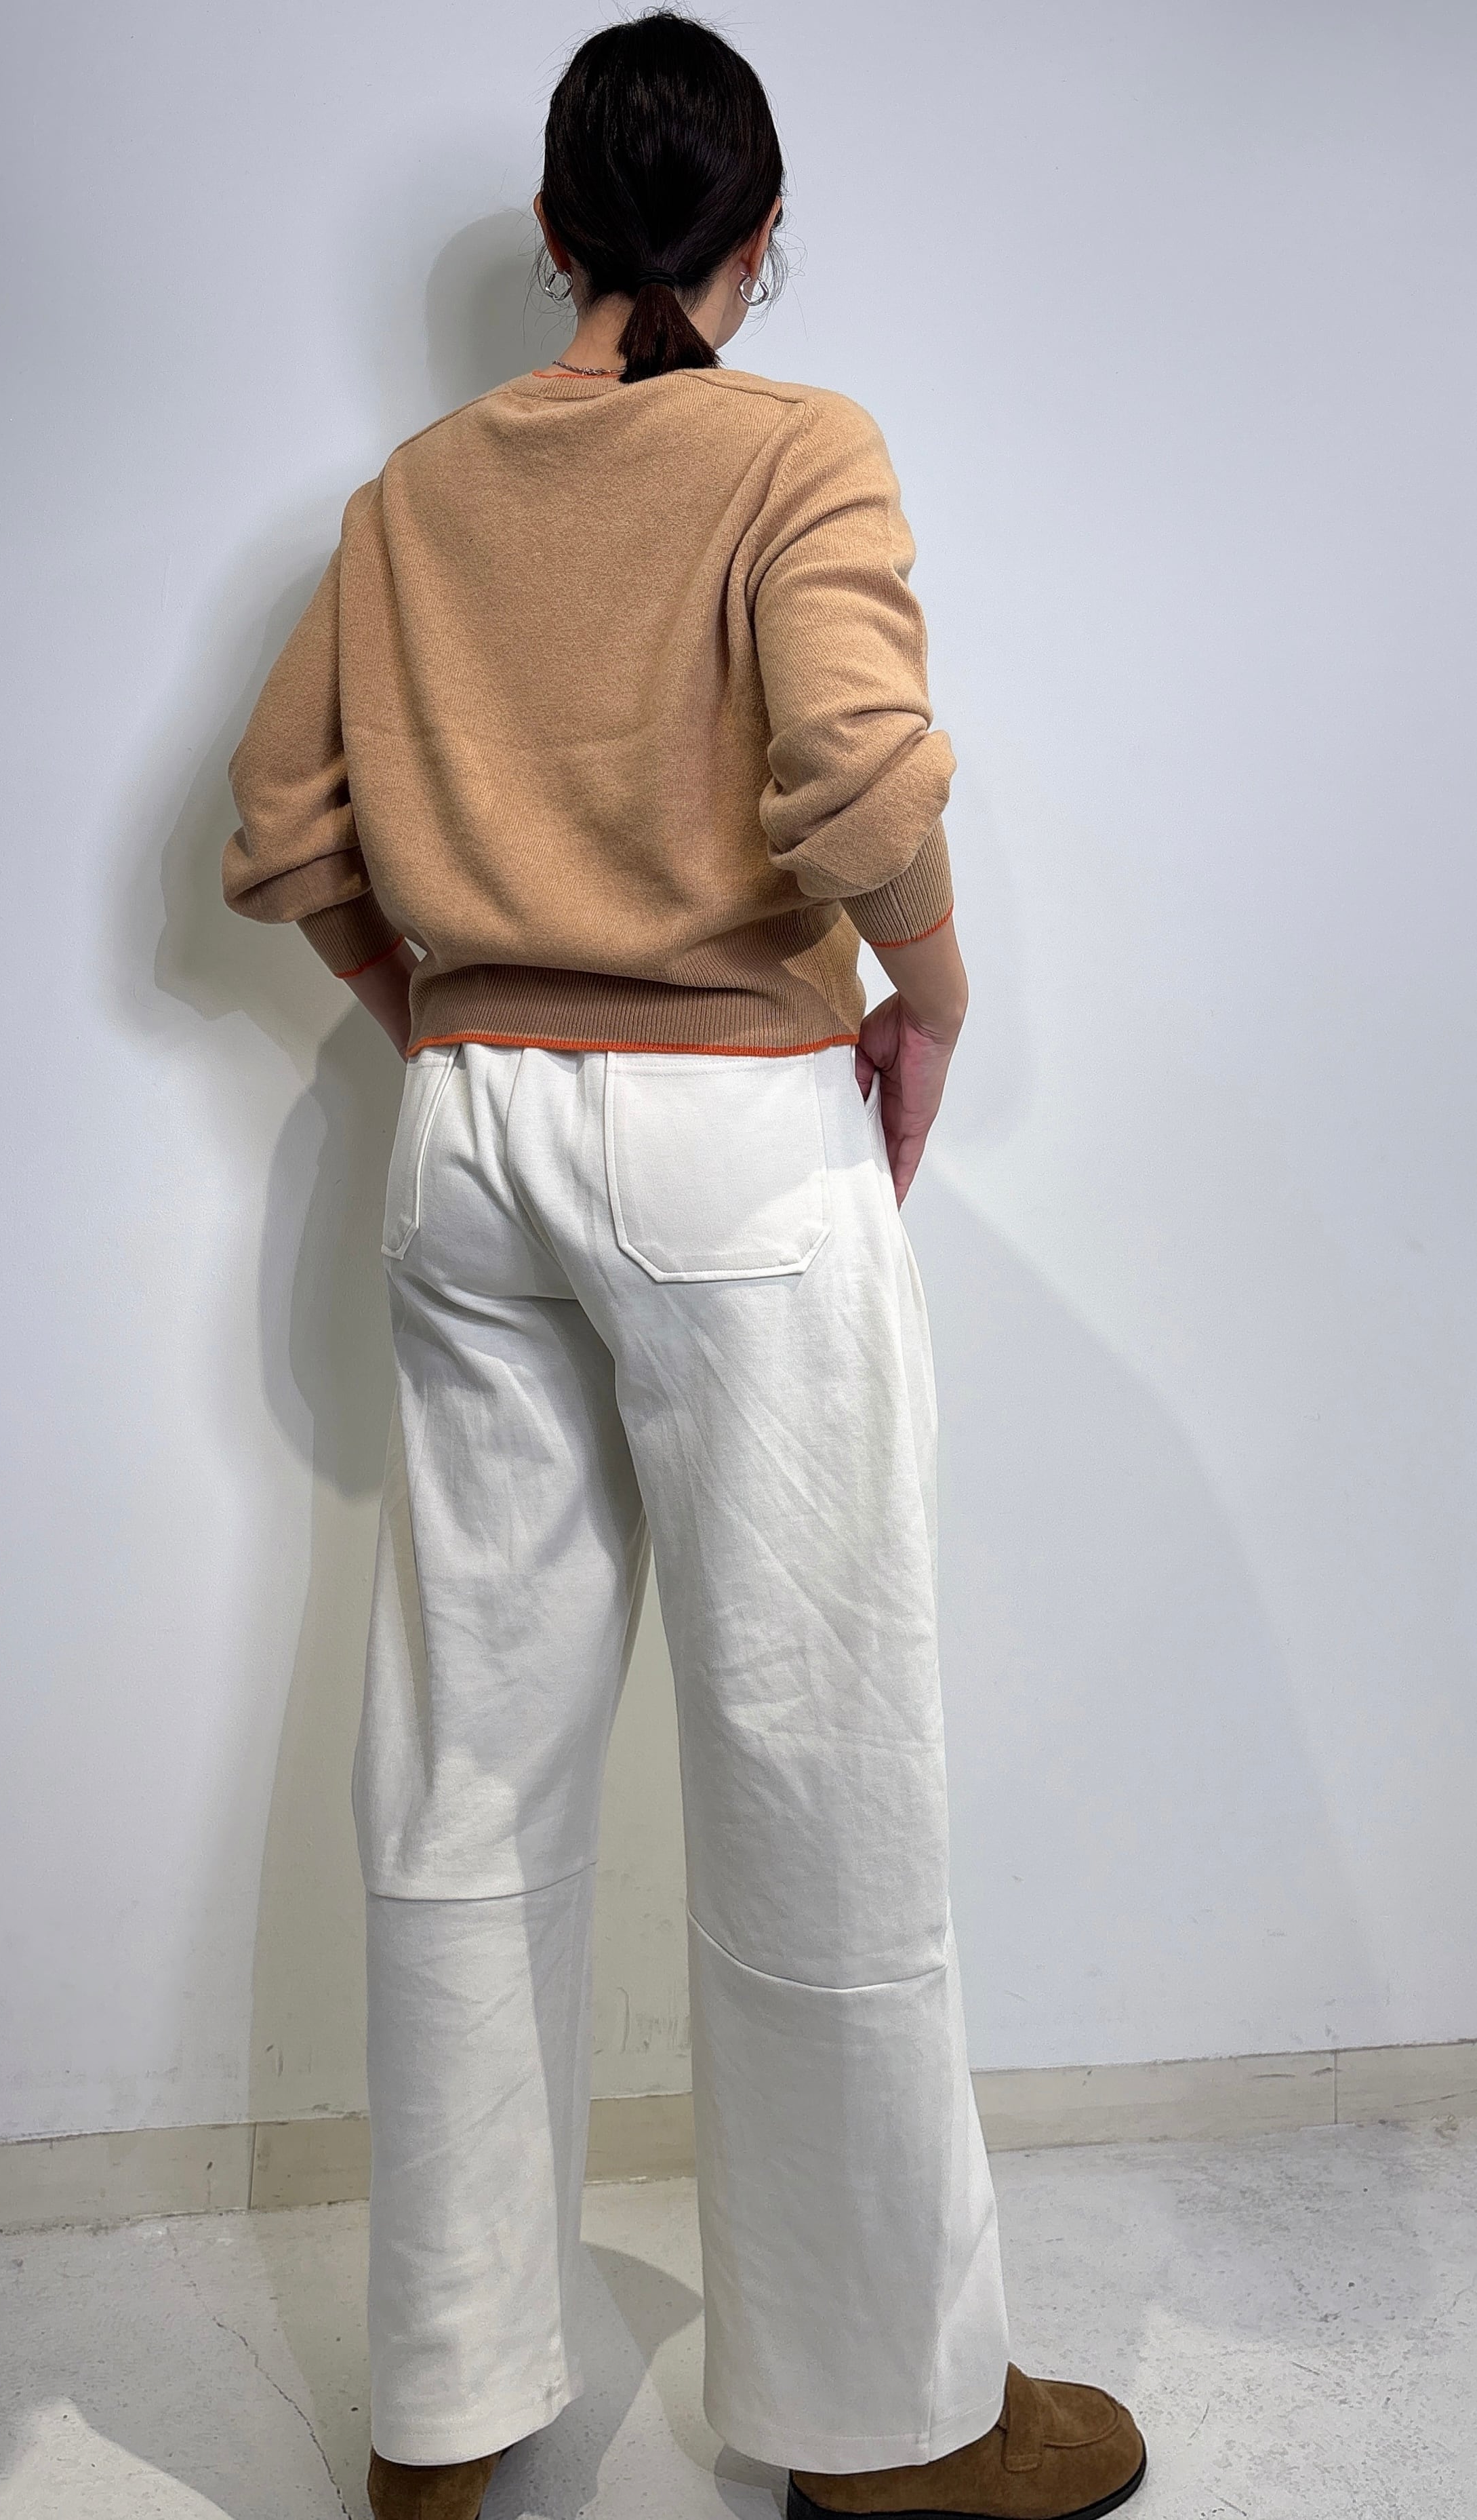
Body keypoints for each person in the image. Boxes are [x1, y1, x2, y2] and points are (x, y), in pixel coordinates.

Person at [222, 14, 1147, 2519]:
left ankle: (441, 2420)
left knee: (465, 1766)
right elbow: (851, 761)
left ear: (554, 234)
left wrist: (441, 1014)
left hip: (471, 1143)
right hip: (735, 1138)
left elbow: (282, 829)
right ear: (760, 238)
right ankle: (882, 2422)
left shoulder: (411, 497)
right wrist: (928, 996)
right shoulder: (790, 448)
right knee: (814, 1754)